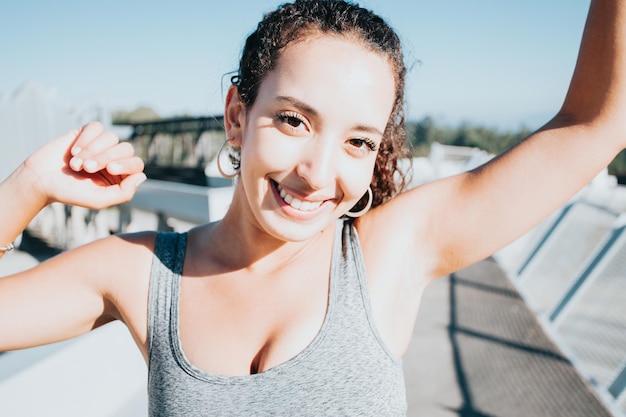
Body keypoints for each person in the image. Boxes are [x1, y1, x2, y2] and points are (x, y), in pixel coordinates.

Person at [1, 0, 625, 415]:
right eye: (294, 120)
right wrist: (28, 185)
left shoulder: (389, 253)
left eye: (358, 141)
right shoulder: (141, 274)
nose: (317, 173)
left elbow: (597, 124)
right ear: (237, 116)